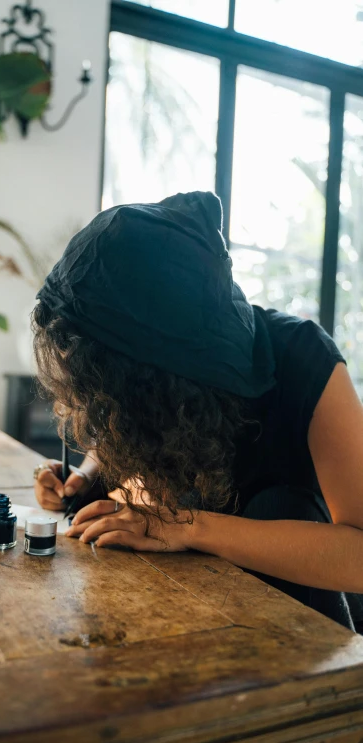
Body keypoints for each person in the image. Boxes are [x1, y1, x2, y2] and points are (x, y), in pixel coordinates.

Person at [32, 191, 363, 631]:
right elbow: (135, 423)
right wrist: (85, 478)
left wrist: (186, 527)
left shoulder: (303, 358)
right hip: (200, 605)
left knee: (280, 505)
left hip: (312, 610)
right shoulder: (155, 394)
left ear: (153, 374)